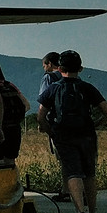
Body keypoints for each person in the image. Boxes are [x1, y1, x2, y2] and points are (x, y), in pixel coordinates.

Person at [36, 50, 107, 213]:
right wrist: (94, 125)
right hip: (86, 134)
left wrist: (52, 131)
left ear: (60, 68)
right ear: (80, 68)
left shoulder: (53, 88)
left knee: (73, 173)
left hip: (64, 136)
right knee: (89, 173)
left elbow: (41, 116)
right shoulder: (87, 88)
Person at [0, 59, 29, 163]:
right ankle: (13, 180)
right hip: (14, 129)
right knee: (10, 162)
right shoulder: (10, 86)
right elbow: (27, 105)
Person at [39, 51, 71, 202]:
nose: (44, 68)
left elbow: (44, 101)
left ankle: (66, 189)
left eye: (44, 65)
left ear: (50, 64)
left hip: (56, 123)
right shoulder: (70, 76)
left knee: (63, 159)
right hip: (76, 124)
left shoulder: (49, 78)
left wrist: (42, 122)